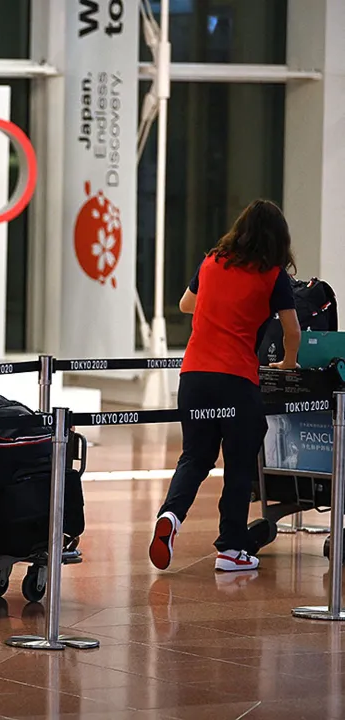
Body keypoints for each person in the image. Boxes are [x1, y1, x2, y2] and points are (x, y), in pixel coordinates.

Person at [149, 199, 300, 574]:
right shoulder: (273, 274)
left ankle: (170, 514)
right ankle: (231, 548)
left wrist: (218, 306)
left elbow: (186, 304)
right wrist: (288, 363)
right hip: (236, 380)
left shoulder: (211, 261)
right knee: (238, 463)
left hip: (194, 377)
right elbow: (292, 330)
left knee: (196, 457)